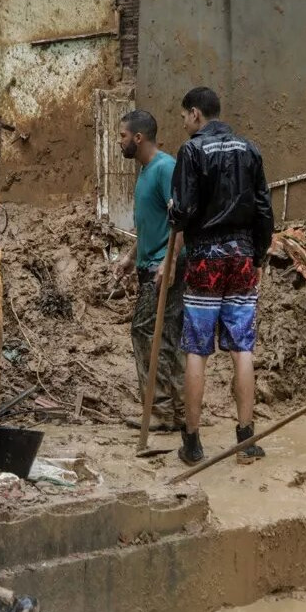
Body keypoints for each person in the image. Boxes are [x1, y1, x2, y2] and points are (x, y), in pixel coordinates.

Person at [169, 87, 274, 466]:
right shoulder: (249, 149)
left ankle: (193, 443)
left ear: (196, 113)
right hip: (243, 254)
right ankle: (245, 440)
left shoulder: (192, 151)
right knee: (242, 347)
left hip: (205, 258)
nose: (183, 125)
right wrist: (258, 254)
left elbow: (183, 211)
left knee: (197, 348)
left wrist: (173, 211)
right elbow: (264, 208)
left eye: (183, 117)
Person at [112, 111, 185, 432]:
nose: (120, 142)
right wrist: (131, 256)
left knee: (144, 332)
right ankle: (177, 411)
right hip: (150, 263)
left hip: (164, 267)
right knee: (165, 336)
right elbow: (150, 224)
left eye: (123, 136)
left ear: (138, 138)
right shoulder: (145, 172)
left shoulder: (164, 168)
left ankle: (160, 410)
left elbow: (182, 219)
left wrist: (168, 264)